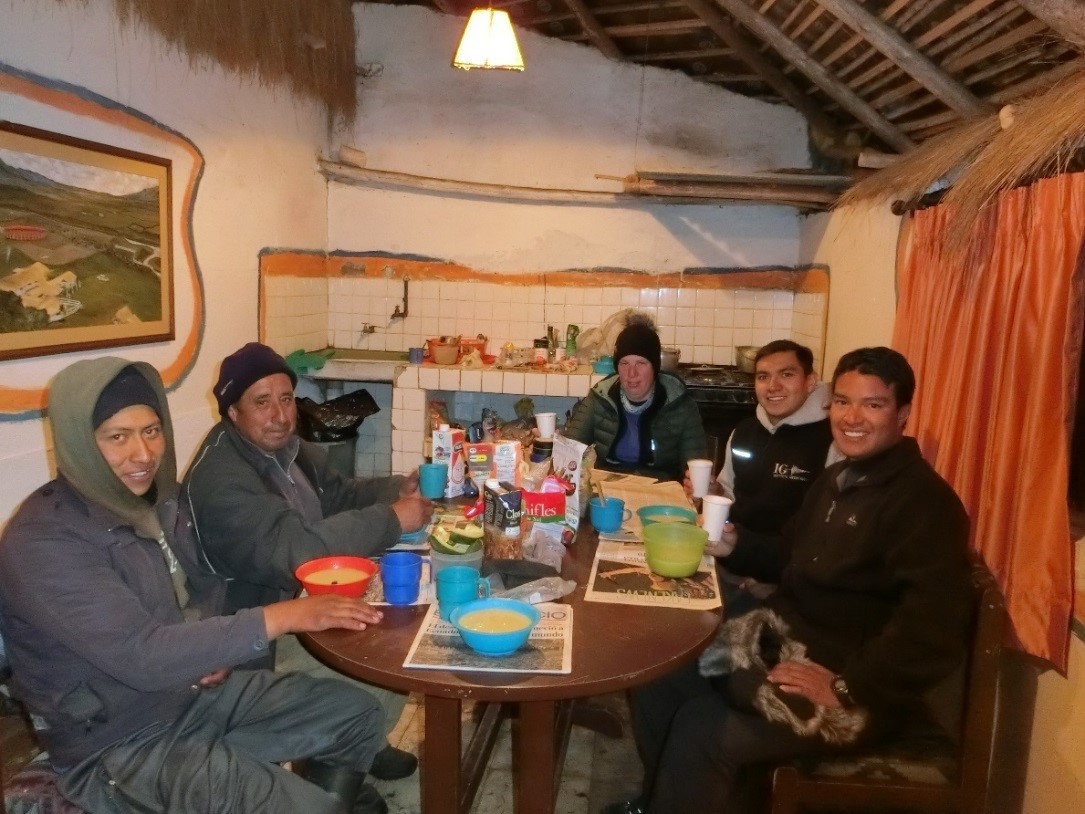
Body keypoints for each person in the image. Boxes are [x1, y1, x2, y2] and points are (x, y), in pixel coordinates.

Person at [0, 358, 389, 813]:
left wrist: (213, 649)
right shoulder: (46, 541)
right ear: (78, 443)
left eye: (151, 431)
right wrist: (284, 616)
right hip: (116, 745)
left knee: (357, 714)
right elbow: (142, 655)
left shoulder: (150, 505)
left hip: (186, 698)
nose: (143, 454)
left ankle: (329, 801)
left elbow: (198, 592)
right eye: (117, 437)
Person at [606, 347, 973, 814]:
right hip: (786, 644)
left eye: (872, 404)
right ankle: (668, 799)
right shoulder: (838, 479)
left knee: (703, 725)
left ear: (902, 413)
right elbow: (788, 554)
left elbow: (933, 633)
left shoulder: (925, 505)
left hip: (853, 694)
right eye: (842, 402)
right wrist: (734, 545)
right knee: (660, 673)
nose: (852, 417)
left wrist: (847, 687)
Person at [183, 342, 429, 789]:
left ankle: (364, 746)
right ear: (233, 412)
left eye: (285, 399)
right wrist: (392, 519)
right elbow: (298, 552)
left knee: (398, 619)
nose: (279, 415)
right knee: (382, 648)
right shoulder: (222, 479)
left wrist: (398, 487)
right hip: (251, 635)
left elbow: (337, 494)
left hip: (298, 604)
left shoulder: (283, 449)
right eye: (262, 402)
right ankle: (330, 783)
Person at [687, 339, 841, 534]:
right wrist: (713, 492)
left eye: (786, 374)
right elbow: (729, 493)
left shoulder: (832, 441)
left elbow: (827, 528)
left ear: (810, 382)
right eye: (763, 377)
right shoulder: (743, 432)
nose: (772, 386)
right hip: (732, 548)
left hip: (790, 560)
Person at [564, 314, 707, 481]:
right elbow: (569, 449)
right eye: (624, 363)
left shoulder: (680, 404)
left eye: (641, 363)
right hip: (608, 493)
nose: (631, 373)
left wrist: (695, 484)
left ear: (655, 367)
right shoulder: (600, 397)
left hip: (661, 495)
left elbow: (696, 468)